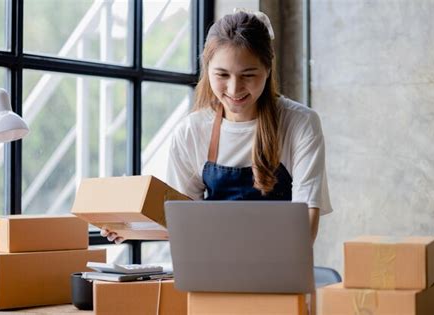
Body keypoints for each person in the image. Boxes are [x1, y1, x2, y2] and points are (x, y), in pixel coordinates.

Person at [102, 10, 332, 245]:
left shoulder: (299, 123)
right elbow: (182, 221)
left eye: (248, 75)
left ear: (268, 68)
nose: (234, 89)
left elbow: (306, 222)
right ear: (207, 69)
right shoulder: (192, 131)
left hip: (281, 268)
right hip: (209, 267)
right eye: (222, 74)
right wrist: (131, 228)